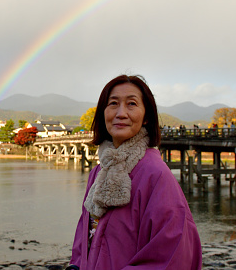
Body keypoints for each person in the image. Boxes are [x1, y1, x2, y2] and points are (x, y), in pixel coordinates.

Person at [66, 75, 202, 270]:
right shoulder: (98, 172)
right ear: (103, 112)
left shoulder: (155, 175)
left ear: (146, 116)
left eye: (131, 104)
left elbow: (173, 253)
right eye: (113, 103)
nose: (121, 113)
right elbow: (83, 236)